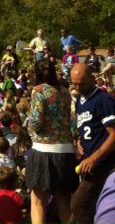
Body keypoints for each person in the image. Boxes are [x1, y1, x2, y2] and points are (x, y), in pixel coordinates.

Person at [25, 59, 77, 224]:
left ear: (36, 72)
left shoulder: (38, 90)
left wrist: (30, 130)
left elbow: (36, 122)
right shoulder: (64, 91)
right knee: (64, 204)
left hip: (44, 149)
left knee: (38, 202)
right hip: (66, 151)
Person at [70, 62, 115, 223]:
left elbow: (114, 135)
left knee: (78, 205)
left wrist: (94, 158)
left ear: (93, 79)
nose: (78, 87)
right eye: (74, 84)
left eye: (82, 84)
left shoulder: (103, 100)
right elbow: (87, 127)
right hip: (88, 163)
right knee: (85, 208)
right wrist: (80, 141)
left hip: (104, 164)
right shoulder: (80, 100)